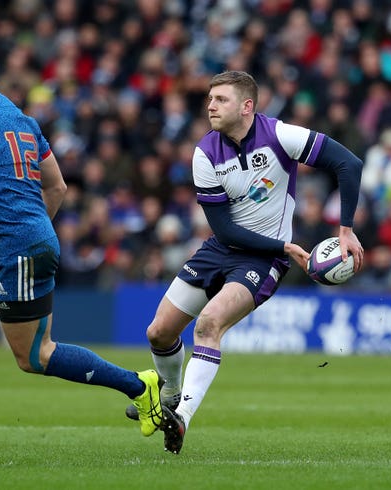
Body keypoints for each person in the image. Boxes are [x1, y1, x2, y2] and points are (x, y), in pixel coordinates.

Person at [0, 45, 163, 468]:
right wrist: (35, 228)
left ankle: (140, 386)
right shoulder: (22, 119)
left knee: (35, 356)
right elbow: (57, 187)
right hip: (6, 242)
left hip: (16, 244)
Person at [126, 71, 364, 454]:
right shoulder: (205, 153)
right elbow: (224, 229)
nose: (211, 106)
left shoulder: (281, 136)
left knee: (208, 324)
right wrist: (286, 246)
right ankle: (169, 393)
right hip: (224, 247)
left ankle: (181, 418)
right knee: (158, 333)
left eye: (221, 99)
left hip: (263, 259)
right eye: (210, 99)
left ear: (247, 106)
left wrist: (346, 229)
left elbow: (349, 164)